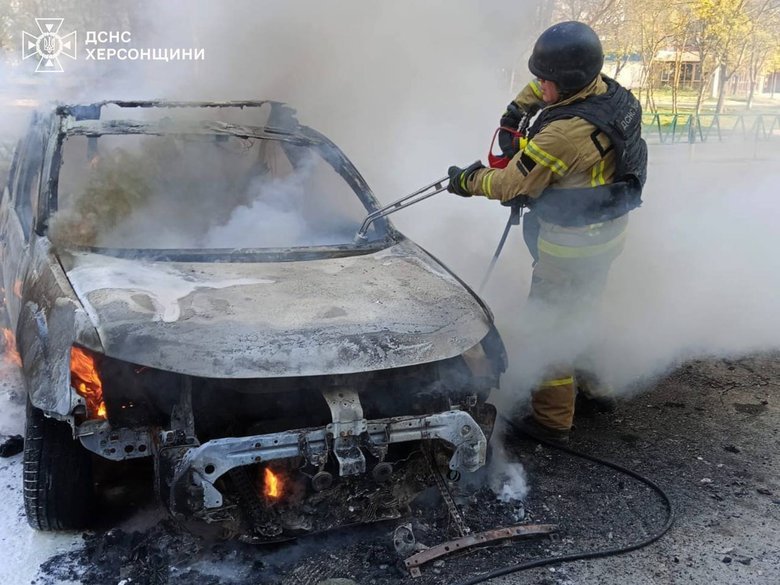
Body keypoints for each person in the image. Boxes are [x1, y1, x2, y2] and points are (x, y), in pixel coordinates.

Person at [447, 21, 647, 442]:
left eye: (545, 80)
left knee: (550, 324)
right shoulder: (609, 93)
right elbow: (543, 92)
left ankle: (552, 421)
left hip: (571, 247)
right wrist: (516, 111)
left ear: (568, 81)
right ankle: (597, 390)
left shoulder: (564, 137)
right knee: (582, 310)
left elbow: (512, 184)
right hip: (607, 234)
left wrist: (467, 181)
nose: (539, 85)